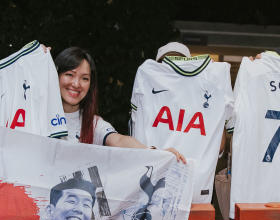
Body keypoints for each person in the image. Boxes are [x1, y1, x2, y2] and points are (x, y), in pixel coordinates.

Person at [54, 46, 185, 162]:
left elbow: (119, 140)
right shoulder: (36, 115)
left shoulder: (93, 124)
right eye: (69, 75)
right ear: (55, 75)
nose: (76, 84)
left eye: (85, 78)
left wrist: (155, 153)